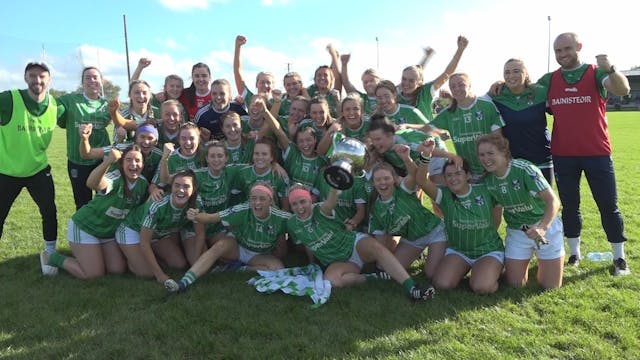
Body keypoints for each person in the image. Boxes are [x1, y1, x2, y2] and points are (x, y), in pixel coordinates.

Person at [537, 32, 631, 274]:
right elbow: (522, 92)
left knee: (608, 205)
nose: (561, 54)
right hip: (563, 154)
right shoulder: (549, 79)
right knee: (570, 206)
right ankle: (574, 254)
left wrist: (611, 69)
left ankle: (619, 258)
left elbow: (622, 89)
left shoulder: (595, 72)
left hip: (597, 152)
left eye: (566, 49)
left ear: (579, 47)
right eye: (557, 51)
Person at [286, 184, 435, 301]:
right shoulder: (292, 224)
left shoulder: (320, 209)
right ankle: (372, 278)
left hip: (354, 245)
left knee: (378, 249)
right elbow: (307, 243)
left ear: (310, 200)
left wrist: (334, 186)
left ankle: (412, 287)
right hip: (339, 261)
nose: (299, 208)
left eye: (303, 201)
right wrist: (313, 262)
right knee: (332, 281)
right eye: (294, 204)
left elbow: (331, 201)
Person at [42, 146, 149, 279]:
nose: (133, 164)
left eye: (138, 160)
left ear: (143, 164)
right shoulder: (115, 179)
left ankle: (91, 255)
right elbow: (92, 183)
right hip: (85, 227)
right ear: (121, 163)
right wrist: (108, 161)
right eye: (128, 160)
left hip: (107, 233)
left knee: (117, 269)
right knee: (94, 274)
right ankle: (52, 257)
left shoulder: (143, 184)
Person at [165, 183, 291, 293]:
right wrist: (195, 216)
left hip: (258, 255)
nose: (257, 203)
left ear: (270, 201)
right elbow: (210, 218)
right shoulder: (242, 209)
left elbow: (300, 226)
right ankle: (183, 283)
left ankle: (238, 269)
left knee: (278, 269)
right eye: (253, 198)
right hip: (238, 247)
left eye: (262, 199)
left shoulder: (281, 218)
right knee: (219, 246)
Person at [477, 134, 564, 289]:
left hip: (544, 226)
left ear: (504, 152)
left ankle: (547, 260)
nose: (485, 158)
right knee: (515, 284)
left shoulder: (525, 169)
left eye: (490, 153)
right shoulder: (488, 180)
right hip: (517, 231)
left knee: (550, 286)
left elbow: (553, 201)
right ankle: (519, 261)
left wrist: (542, 228)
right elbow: (495, 215)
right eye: (481, 155)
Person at [415, 145, 504, 294]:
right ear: (444, 179)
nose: (453, 179)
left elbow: (496, 221)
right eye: (449, 175)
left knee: (482, 287)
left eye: (458, 173)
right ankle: (476, 269)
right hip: (459, 251)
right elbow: (422, 181)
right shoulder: (444, 195)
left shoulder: (485, 190)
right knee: (442, 283)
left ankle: (491, 268)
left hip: (488, 250)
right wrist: (426, 156)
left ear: (468, 175)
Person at [0, 62, 59, 275]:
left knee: (49, 210)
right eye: (32, 76)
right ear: (25, 78)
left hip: (38, 170)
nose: (38, 80)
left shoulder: (54, 106)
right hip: (6, 170)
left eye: (42, 76)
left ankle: (50, 254)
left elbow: (69, 117)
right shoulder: (9, 99)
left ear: (49, 80)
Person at [368, 146, 447, 279]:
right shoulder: (376, 210)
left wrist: (406, 158)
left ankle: (449, 250)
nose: (383, 183)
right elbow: (380, 245)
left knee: (431, 273)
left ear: (393, 179)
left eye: (386, 178)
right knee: (388, 270)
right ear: (373, 183)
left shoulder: (404, 189)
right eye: (378, 180)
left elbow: (414, 175)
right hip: (412, 240)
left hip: (434, 231)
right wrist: (380, 263)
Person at [115, 170, 205, 285]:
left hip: (157, 233)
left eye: (186, 186)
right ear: (171, 187)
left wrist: (195, 267)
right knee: (147, 273)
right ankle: (131, 258)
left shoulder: (196, 203)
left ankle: (144, 256)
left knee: (179, 264)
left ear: (194, 189)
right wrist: (160, 275)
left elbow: (200, 234)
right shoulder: (157, 205)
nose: (181, 190)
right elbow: (144, 242)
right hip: (132, 229)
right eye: (177, 185)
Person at [430, 73, 505, 179]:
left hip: (490, 169)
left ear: (469, 85)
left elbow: (498, 139)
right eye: (453, 87)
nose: (457, 89)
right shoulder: (448, 112)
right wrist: (438, 134)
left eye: (461, 85)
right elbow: (426, 129)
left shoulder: (487, 105)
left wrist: (495, 165)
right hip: (468, 173)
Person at [57, 66, 112, 209]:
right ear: (82, 82)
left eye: (95, 77)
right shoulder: (69, 100)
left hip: (102, 160)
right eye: (87, 77)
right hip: (78, 161)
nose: (92, 80)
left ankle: (102, 231)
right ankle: (82, 231)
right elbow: (54, 110)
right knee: (82, 203)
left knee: (104, 200)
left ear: (102, 81)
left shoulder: (107, 105)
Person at [490, 58, 552, 183]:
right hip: (513, 162)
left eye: (516, 71)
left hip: (541, 159)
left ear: (526, 73)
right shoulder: (496, 95)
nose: (511, 76)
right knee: (518, 202)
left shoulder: (541, 92)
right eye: (507, 72)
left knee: (545, 201)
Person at [398, 36, 469, 120]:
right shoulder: (394, 96)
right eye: (404, 79)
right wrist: (426, 57)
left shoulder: (426, 92)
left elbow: (447, 73)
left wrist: (460, 50)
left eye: (411, 81)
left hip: (426, 132)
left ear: (419, 83)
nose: (406, 83)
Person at [233, 35, 275, 102]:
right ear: (256, 84)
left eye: (268, 82)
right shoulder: (249, 98)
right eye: (262, 82)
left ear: (273, 86)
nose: (265, 85)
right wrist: (238, 47)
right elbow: (237, 72)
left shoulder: (279, 103)